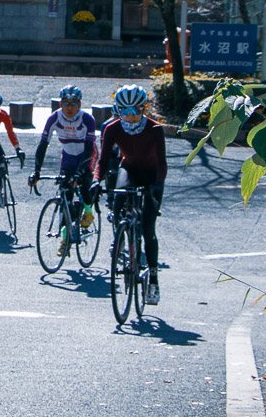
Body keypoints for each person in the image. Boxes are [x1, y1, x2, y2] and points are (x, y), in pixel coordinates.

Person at [94, 84, 167, 306]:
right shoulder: (112, 129)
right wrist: (96, 180)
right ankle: (122, 236)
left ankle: (153, 279)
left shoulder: (155, 129)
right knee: (117, 201)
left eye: (136, 110)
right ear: (118, 110)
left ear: (144, 109)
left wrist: (157, 185)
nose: (131, 116)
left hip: (152, 175)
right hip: (130, 169)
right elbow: (104, 161)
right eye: (125, 111)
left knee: (147, 228)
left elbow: (163, 163)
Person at [28, 85, 97, 237]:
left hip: (86, 154)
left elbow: (89, 148)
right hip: (68, 155)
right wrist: (37, 171)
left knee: (83, 181)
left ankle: (88, 210)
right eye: (66, 103)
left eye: (73, 103)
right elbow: (43, 145)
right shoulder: (54, 118)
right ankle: (65, 239)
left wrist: (80, 172)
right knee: (65, 192)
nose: (69, 107)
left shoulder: (87, 119)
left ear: (79, 104)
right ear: (60, 104)